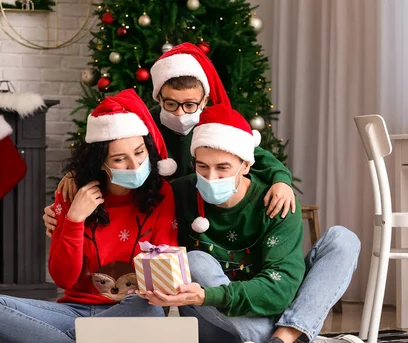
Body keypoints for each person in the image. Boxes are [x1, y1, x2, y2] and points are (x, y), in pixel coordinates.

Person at [138, 104, 369, 343]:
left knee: (343, 240)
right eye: (203, 167)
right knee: (195, 261)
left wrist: (208, 294)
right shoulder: (179, 193)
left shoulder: (277, 200)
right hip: (214, 328)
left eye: (223, 168)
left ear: (247, 165)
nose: (211, 177)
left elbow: (281, 289)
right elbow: (128, 193)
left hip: (251, 306)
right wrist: (76, 178)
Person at [0, 89, 178, 343]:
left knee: (151, 310)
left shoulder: (161, 193)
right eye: (119, 159)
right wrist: (74, 220)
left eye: (139, 153)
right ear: (100, 161)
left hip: (131, 309)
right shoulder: (71, 193)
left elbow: (163, 278)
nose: (134, 164)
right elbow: (63, 279)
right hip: (74, 310)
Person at [44, 43, 295, 236]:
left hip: (204, 216)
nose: (179, 113)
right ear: (158, 97)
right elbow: (109, 152)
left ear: (204, 99)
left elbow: (257, 157)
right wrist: (75, 176)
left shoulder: (217, 125)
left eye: (189, 105)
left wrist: (282, 181)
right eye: (171, 103)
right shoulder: (143, 125)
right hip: (157, 216)